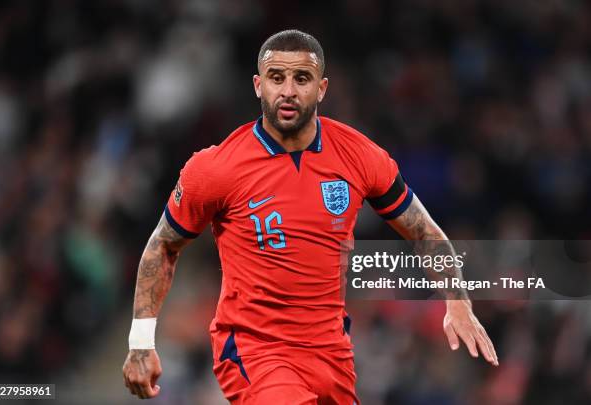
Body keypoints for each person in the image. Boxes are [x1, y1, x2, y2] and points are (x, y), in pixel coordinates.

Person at [122, 29, 498, 404]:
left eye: (301, 78)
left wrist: (458, 301)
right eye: (276, 77)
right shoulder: (216, 168)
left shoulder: (360, 156)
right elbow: (163, 246)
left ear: (321, 88)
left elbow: (422, 230)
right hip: (257, 352)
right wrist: (141, 342)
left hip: (332, 353)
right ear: (258, 85)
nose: (288, 90)